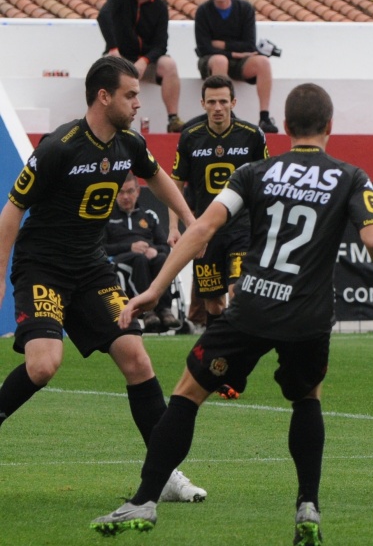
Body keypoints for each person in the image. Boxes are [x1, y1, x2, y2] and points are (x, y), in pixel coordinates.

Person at [90, 83, 373, 544]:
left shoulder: (255, 171)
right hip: (308, 318)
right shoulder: (351, 176)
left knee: (188, 393)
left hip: (251, 308)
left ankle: (144, 499)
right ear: (330, 127)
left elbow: (204, 226)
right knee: (307, 398)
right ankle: (308, 505)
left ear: (285, 128)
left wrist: (155, 288)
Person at [0, 55, 206, 503]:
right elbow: (12, 209)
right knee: (43, 365)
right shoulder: (59, 146)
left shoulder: (129, 145)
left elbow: (159, 177)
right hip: (43, 270)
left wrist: (192, 221)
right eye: (131, 95)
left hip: (92, 270)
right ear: (104, 96)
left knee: (137, 358)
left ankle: (165, 473)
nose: (137, 103)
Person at [168, 74, 267, 329]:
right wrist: (173, 227)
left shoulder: (252, 135)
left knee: (237, 292)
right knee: (213, 304)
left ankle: (237, 349)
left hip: (241, 230)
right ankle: (215, 351)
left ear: (233, 102)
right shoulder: (190, 136)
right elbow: (175, 184)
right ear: (203, 104)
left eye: (223, 101)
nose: (218, 108)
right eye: (211, 102)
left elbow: (265, 183)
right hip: (206, 232)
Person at [97, 0, 185, 133]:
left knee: (169, 65)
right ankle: (108, 119)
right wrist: (114, 48)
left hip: (147, 61)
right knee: (105, 68)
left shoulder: (160, 7)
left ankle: (173, 119)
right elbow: (103, 16)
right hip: (119, 56)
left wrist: (145, 61)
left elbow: (161, 44)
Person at [194, 0, 278, 134]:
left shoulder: (245, 9)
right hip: (211, 62)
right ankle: (226, 114)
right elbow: (204, 48)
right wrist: (231, 52)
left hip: (241, 62)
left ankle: (264, 117)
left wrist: (222, 45)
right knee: (220, 60)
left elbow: (249, 45)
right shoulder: (203, 12)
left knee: (263, 62)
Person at [103, 172, 181, 332]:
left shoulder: (149, 216)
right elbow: (101, 248)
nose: (126, 197)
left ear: (138, 191)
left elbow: (165, 245)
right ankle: (147, 310)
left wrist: (154, 250)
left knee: (161, 258)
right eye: (121, 192)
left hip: (149, 258)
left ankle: (165, 309)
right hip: (120, 260)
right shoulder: (107, 217)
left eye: (130, 191)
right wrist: (130, 247)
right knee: (139, 259)